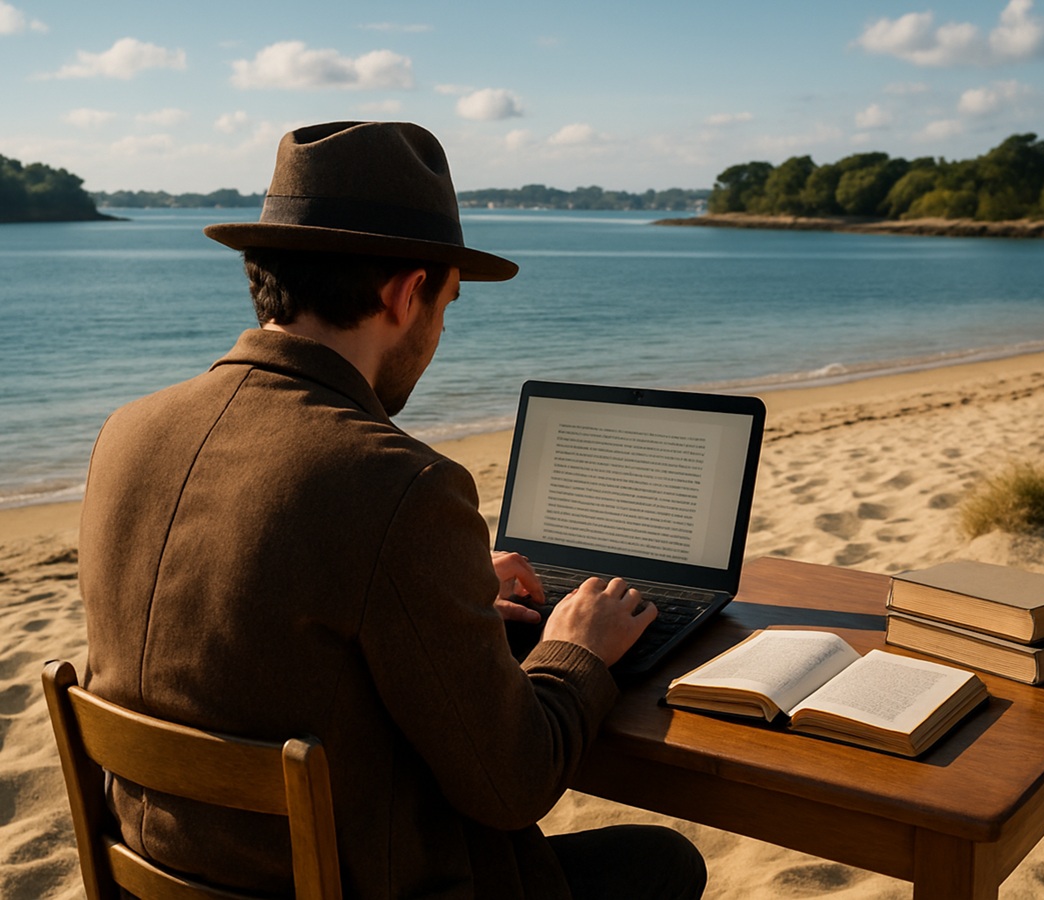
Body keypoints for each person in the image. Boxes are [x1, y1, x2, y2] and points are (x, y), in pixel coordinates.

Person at [78, 121, 708, 899]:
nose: (440, 329)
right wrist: (577, 649)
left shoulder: (126, 433)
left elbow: (273, 592)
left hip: (167, 877)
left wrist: (443, 583)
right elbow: (512, 784)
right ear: (406, 293)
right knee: (665, 863)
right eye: (447, 303)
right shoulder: (400, 483)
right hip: (360, 883)